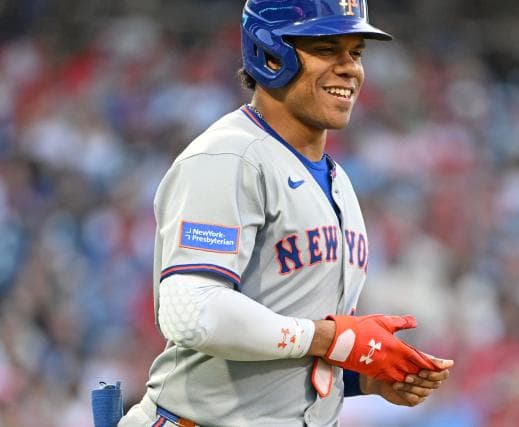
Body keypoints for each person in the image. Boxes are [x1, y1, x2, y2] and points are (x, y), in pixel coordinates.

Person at [118, 0, 453, 426]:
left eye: (356, 53)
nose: (350, 68)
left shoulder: (338, 181)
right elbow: (189, 311)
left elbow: (292, 336)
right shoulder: (230, 157)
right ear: (271, 53)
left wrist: (359, 375)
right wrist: (330, 339)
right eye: (327, 49)